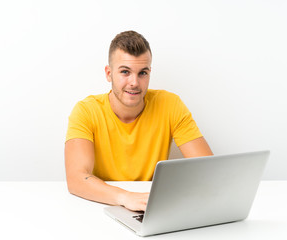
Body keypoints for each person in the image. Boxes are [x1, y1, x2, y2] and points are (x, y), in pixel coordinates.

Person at [65, 30, 213, 212]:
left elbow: (208, 170)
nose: (134, 82)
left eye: (142, 73)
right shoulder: (86, 111)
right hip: (100, 204)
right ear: (108, 73)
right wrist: (125, 197)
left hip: (150, 205)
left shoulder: (170, 105)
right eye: (125, 72)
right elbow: (75, 179)